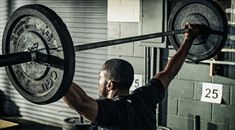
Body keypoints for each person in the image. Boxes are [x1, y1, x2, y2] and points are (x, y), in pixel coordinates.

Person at [63, 23, 199, 130]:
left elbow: (81, 103)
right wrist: (189, 39)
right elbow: (170, 72)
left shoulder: (115, 111)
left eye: (100, 78)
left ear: (110, 85)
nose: (98, 82)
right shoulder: (145, 97)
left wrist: (57, 72)